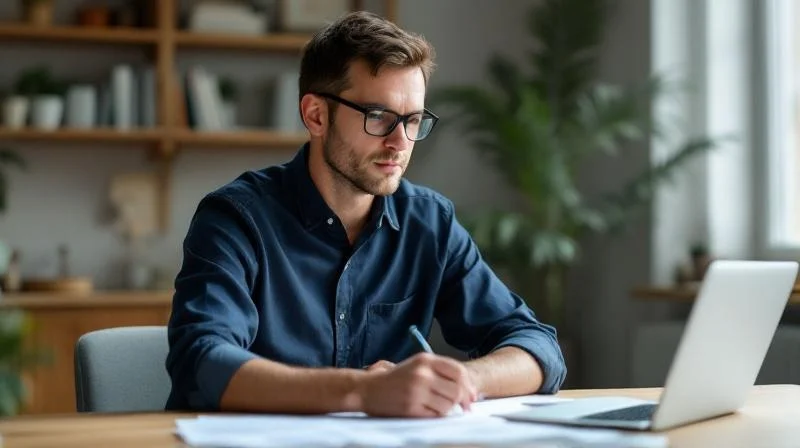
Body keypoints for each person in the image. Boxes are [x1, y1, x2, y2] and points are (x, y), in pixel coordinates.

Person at [166, 10, 566, 418]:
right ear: (316, 115)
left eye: (413, 121)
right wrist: (362, 390)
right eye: (378, 117)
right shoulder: (236, 218)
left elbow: (538, 348)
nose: (400, 142)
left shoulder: (429, 223)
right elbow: (200, 362)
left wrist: (461, 380)